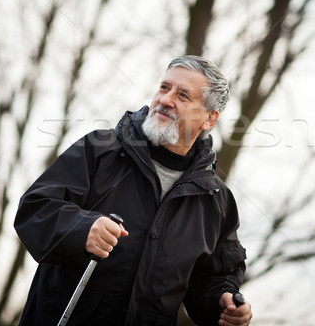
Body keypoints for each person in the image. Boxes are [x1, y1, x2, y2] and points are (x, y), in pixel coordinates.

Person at [14, 55, 252, 326]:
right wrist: (82, 229)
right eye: (164, 87)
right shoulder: (99, 150)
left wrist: (223, 303)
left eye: (183, 95)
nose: (165, 99)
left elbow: (213, 277)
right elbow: (35, 209)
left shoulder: (216, 201)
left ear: (209, 119)